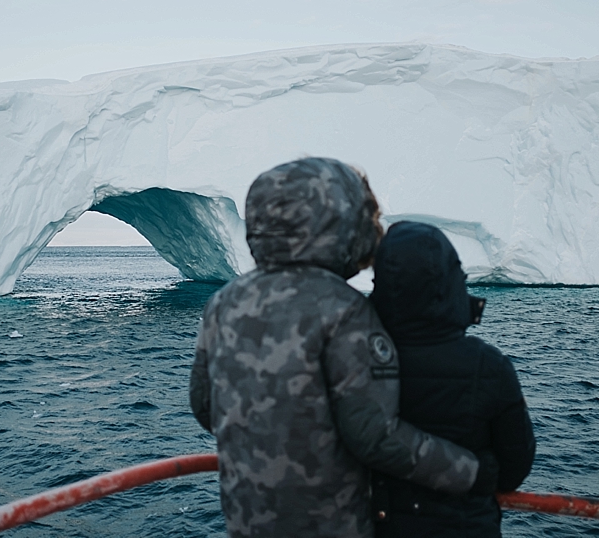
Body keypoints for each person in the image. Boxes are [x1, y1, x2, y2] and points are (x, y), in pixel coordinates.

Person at [189, 158, 496, 538]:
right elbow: (374, 436)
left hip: (247, 520)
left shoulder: (223, 303)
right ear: (339, 224)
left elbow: (204, 405)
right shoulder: (345, 311)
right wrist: (471, 471)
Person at [369, 221, 536, 538]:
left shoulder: (355, 360)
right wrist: (481, 466)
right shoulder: (489, 366)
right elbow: (514, 470)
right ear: (452, 282)